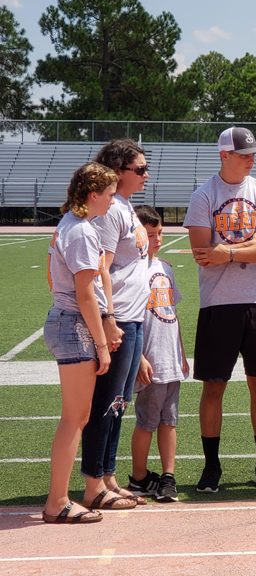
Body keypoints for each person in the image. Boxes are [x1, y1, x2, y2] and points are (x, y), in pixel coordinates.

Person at [184, 126, 256, 493]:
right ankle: (211, 466)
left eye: (252, 154)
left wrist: (227, 250)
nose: (251, 159)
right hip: (218, 303)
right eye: (244, 154)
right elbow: (202, 255)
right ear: (223, 155)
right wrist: (252, 240)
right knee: (214, 387)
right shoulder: (203, 195)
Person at [41, 162, 119, 523]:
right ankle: (57, 501)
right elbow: (85, 293)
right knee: (74, 418)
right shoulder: (82, 231)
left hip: (69, 322)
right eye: (109, 194)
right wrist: (102, 344)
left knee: (78, 417)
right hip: (74, 325)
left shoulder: (70, 226)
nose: (112, 200)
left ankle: (60, 498)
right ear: (93, 195)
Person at [80, 139, 151, 510]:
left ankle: (107, 476)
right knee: (106, 403)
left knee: (119, 403)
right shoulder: (110, 212)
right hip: (119, 316)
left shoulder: (125, 206)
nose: (145, 175)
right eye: (139, 169)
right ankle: (94, 482)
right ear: (118, 170)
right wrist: (108, 319)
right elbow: (101, 268)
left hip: (133, 316)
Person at [127, 205, 189, 503]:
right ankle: (138, 476)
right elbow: (129, 320)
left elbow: (172, 314)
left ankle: (167, 476)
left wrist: (182, 353)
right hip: (149, 359)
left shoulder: (165, 267)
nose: (158, 239)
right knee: (147, 422)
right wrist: (138, 356)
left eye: (160, 233)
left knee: (170, 421)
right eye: (151, 234)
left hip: (170, 357)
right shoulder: (131, 272)